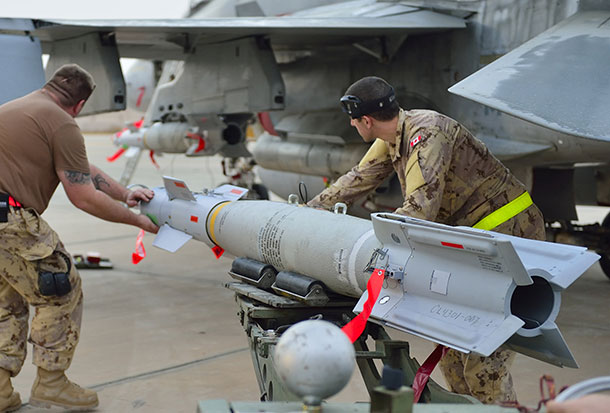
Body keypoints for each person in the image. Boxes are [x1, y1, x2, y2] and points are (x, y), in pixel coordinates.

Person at [307, 76, 546, 404]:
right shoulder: (394, 137)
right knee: (452, 358)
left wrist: (376, 251)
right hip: (475, 244)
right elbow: (358, 179)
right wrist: (309, 213)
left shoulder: (427, 134)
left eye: (353, 119)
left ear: (366, 120)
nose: (351, 124)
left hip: (510, 237)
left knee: (482, 366)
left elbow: (419, 212)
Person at [0, 64, 158, 412]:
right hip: (9, 219)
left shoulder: (21, 108)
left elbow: (82, 169)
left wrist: (125, 192)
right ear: (81, 104)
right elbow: (82, 194)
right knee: (58, 287)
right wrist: (138, 221)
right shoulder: (61, 121)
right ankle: (52, 385)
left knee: (7, 299)